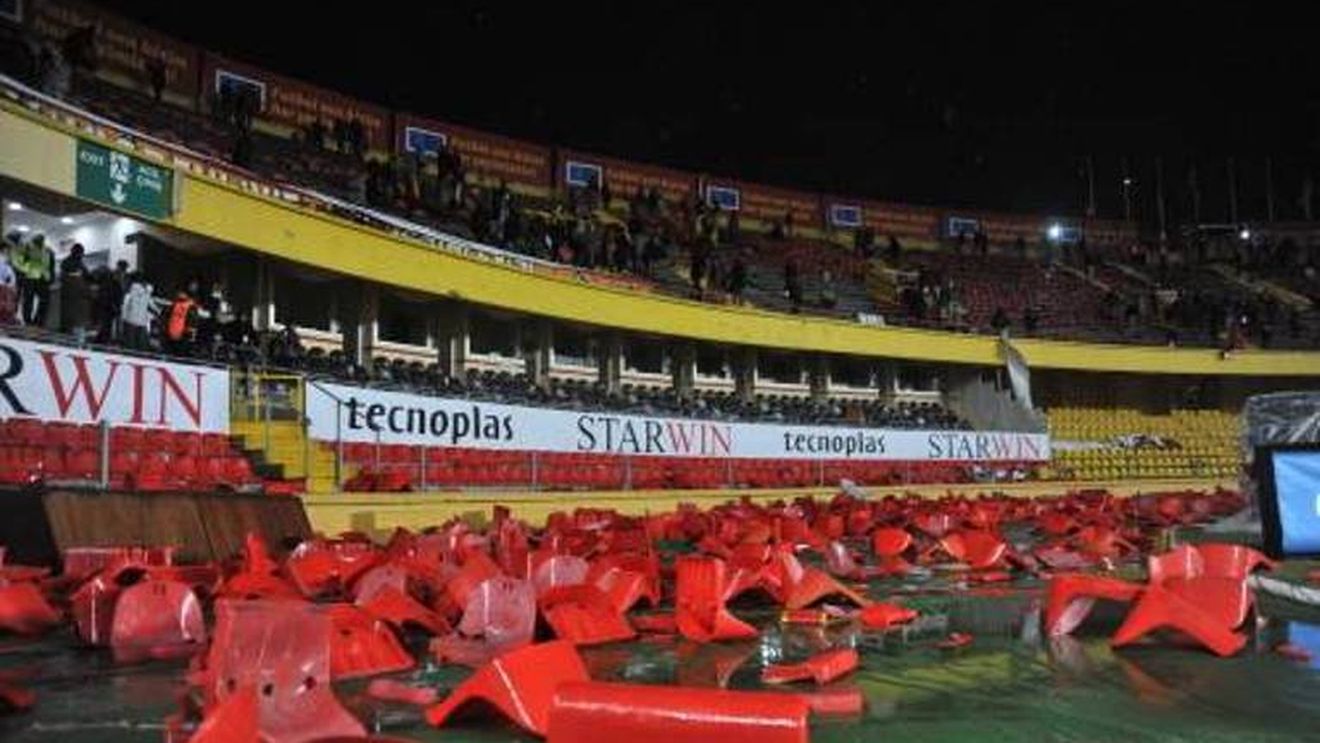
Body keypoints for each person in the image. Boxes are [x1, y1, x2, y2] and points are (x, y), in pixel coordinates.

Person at [15, 234, 54, 328]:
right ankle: (28, 321)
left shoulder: (48, 251)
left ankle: (38, 321)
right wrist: (21, 279)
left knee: (44, 300)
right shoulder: (27, 249)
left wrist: (51, 278)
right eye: (37, 241)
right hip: (30, 278)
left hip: (43, 278)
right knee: (28, 300)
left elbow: (51, 266)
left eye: (41, 241)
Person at [59, 243, 92, 343]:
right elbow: (87, 276)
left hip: (71, 300)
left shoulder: (73, 263)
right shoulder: (73, 263)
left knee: (71, 322)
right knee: (74, 324)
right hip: (74, 300)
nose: (81, 255)